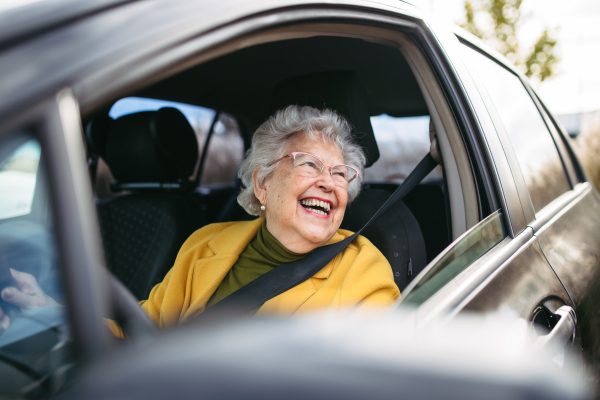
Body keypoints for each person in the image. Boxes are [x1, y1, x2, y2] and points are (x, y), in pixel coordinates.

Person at [0, 106, 400, 335]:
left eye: (340, 173)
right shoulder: (206, 242)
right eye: (310, 164)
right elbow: (147, 330)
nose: (328, 183)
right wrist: (60, 317)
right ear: (262, 183)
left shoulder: (364, 271)